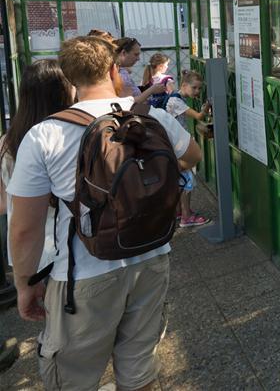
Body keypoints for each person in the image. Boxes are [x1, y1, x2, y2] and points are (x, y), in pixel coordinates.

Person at [8, 36, 202, 391]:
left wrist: (25, 284)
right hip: (152, 256)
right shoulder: (150, 116)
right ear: (113, 70)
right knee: (139, 369)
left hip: (83, 274)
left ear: (68, 80)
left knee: (72, 378)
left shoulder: (45, 135)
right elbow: (192, 156)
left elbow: (24, 229)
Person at [0, 60, 73, 374]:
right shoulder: (67, 137)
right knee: (66, 321)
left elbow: (3, 206)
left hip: (28, 254)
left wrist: (22, 283)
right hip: (64, 247)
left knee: (54, 316)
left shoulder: (7, 142)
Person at [165, 70, 211, 228]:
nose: (197, 91)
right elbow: (198, 116)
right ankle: (187, 216)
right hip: (178, 146)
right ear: (184, 85)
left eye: (199, 88)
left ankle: (179, 212)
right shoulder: (177, 102)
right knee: (186, 180)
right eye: (194, 88)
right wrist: (206, 108)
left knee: (179, 180)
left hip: (173, 143)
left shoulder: (175, 98)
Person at [114, 37, 165, 104]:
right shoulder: (120, 75)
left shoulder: (121, 71)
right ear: (123, 53)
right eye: (136, 54)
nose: (138, 58)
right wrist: (151, 90)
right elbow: (127, 103)